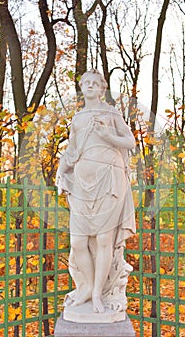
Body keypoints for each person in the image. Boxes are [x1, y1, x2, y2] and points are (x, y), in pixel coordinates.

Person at [56, 69, 136, 314]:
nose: (90, 86)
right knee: (78, 241)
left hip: (109, 180)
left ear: (102, 89)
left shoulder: (111, 113)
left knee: (103, 240)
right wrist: (61, 171)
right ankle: (88, 287)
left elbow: (130, 142)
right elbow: (72, 150)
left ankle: (98, 294)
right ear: (81, 88)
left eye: (95, 83)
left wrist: (107, 135)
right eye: (86, 83)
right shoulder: (78, 118)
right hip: (82, 181)